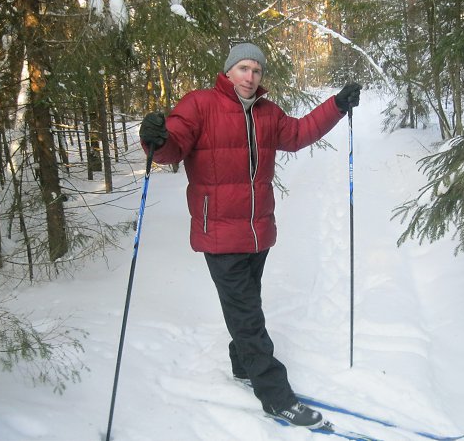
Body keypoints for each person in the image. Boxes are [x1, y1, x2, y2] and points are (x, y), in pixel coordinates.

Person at [139, 42, 361, 428]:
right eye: (243, 68)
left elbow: (299, 133)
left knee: (247, 307)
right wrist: (154, 139)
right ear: (228, 71)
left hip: (258, 232)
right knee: (248, 318)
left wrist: (337, 106)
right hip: (219, 233)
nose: (250, 76)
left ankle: (242, 365)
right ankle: (276, 397)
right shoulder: (199, 105)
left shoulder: (267, 112)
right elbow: (171, 148)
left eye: (256, 70)